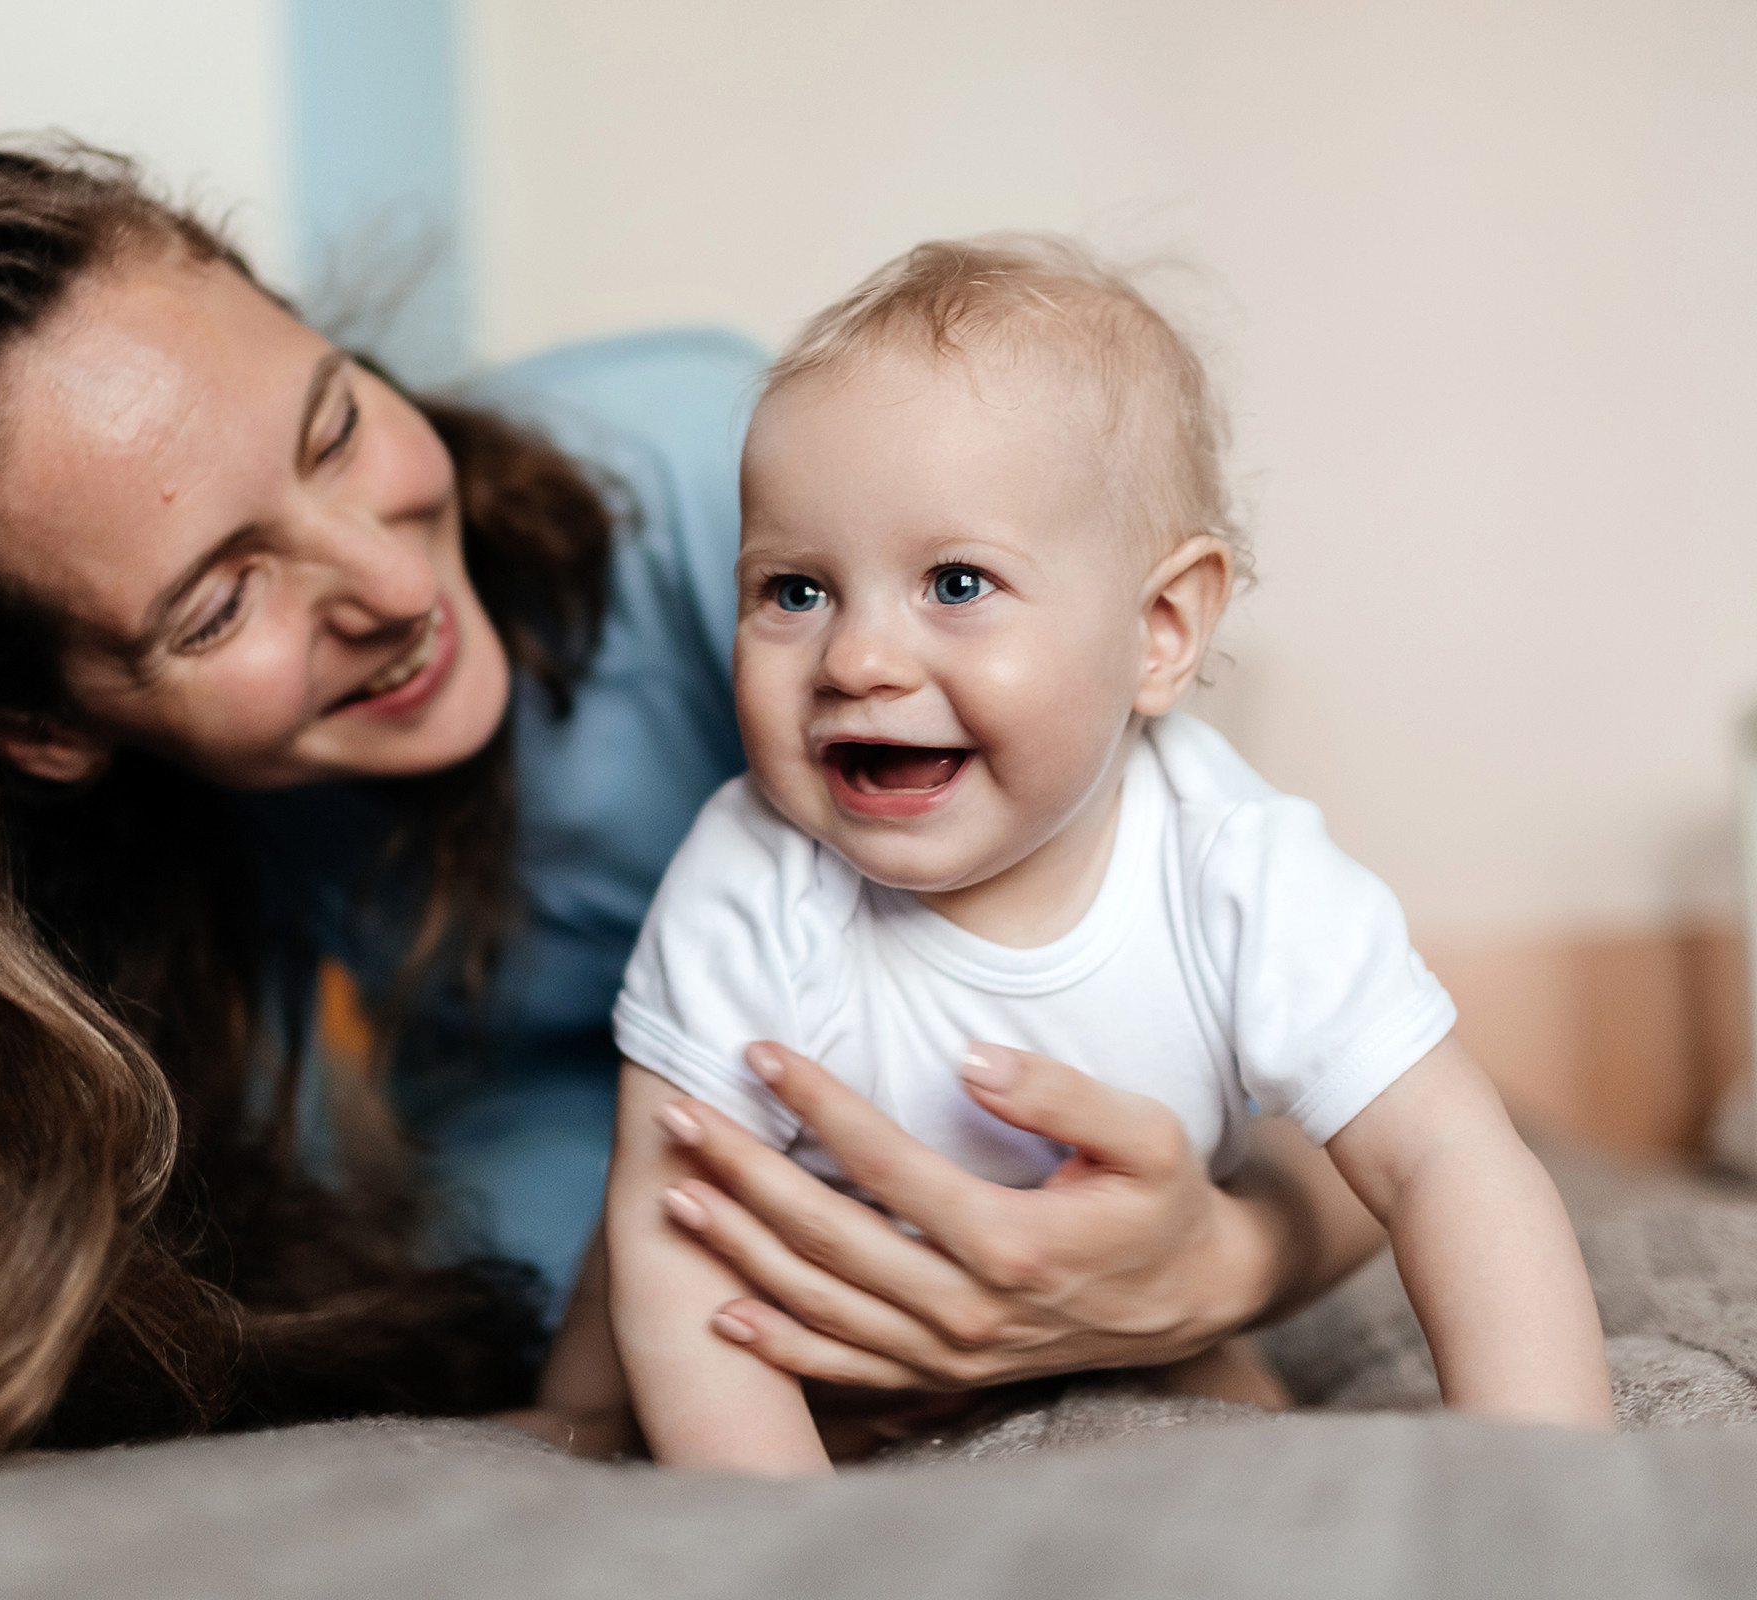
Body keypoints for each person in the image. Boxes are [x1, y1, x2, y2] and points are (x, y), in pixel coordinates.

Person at [0, 148, 1386, 1478]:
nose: (390, 578)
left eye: (337, 418)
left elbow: (1296, 1032)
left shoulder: (714, 490)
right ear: (52, 728)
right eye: (220, 594)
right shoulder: (307, 1068)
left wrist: (1216, 1256)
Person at [560, 237, 1614, 1475]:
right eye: (795, 591)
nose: (855, 660)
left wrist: (1552, 1479)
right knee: (618, 1331)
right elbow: (668, 1220)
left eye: (955, 581)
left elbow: (1448, 1157)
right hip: (816, 1363)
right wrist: (778, 1524)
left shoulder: (1238, 867)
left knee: (1234, 1424)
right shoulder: (751, 870)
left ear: (1160, 631)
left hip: (1133, 1337)